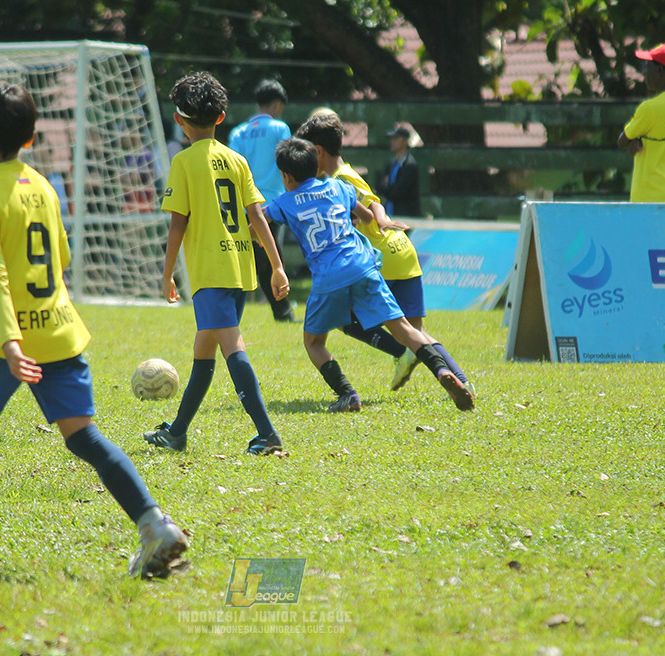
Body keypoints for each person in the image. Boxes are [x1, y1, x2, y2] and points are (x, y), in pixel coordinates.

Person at [0, 82, 187, 578]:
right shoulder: (43, 184)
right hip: (61, 329)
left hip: (6, 340)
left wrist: (9, 342)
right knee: (84, 437)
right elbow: (61, 258)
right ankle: (155, 525)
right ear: (30, 136)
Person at [264, 138, 473, 413]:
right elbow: (363, 216)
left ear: (286, 176)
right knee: (405, 329)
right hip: (363, 265)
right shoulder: (339, 186)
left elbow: (259, 222)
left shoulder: (285, 201)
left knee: (313, 342)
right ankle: (441, 371)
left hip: (329, 277)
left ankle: (347, 394)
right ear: (316, 166)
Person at [143, 71, 290, 456]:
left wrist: (167, 275)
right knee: (203, 349)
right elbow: (257, 216)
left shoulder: (184, 162)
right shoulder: (237, 159)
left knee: (231, 346)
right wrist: (276, 266)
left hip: (210, 270)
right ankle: (176, 433)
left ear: (178, 120)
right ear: (221, 117)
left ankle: (267, 433)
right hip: (240, 267)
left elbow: (178, 223)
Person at [228, 79, 296, 323]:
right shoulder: (280, 128)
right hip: (272, 204)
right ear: (277, 104)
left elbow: (232, 168)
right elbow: (287, 162)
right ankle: (283, 309)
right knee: (268, 256)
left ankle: (282, 310)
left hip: (244, 203)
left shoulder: (238, 132)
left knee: (261, 256)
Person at [617, 43, 665, 203]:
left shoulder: (649, 108)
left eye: (648, 66)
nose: (644, 72)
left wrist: (634, 140)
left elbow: (622, 141)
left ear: (661, 70)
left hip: (648, 197)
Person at [377, 126, 421, 218]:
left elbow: (397, 193)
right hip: (389, 215)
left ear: (405, 141)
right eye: (391, 139)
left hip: (405, 218)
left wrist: (387, 187)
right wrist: (387, 187)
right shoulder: (391, 164)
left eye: (396, 138)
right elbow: (379, 185)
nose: (392, 142)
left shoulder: (410, 165)